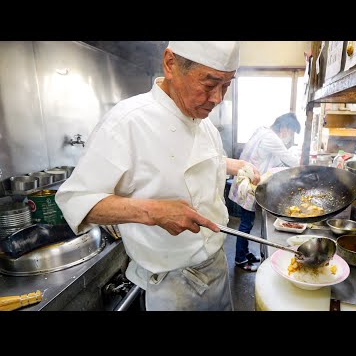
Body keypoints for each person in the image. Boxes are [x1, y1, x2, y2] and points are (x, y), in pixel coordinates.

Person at [55, 41, 260, 311]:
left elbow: (193, 163)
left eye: (227, 85)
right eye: (210, 85)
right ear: (171, 64)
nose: (218, 98)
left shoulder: (203, 121)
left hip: (217, 269)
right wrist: (154, 212)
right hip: (175, 286)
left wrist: (235, 164)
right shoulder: (127, 121)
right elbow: (75, 200)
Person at [228, 112, 301, 271]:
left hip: (246, 182)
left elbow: (273, 159)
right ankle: (240, 259)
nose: (289, 136)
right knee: (246, 224)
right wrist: (303, 168)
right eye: (291, 132)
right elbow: (289, 159)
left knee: (247, 221)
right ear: (284, 127)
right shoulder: (272, 138)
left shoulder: (263, 131)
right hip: (248, 186)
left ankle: (245, 253)